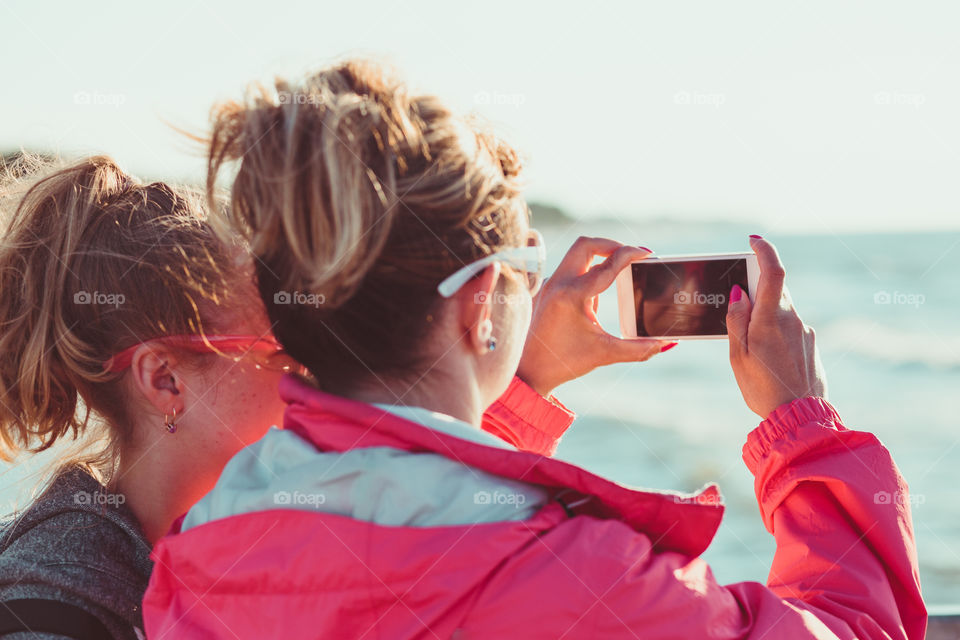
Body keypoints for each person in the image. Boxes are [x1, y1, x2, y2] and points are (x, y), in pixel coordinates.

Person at [143, 61, 925, 639]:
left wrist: (524, 385)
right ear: (482, 302)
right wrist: (802, 426)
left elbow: (407, 526)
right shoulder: (590, 582)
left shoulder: (202, 542)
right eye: (526, 267)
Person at [0, 155, 657, 639]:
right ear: (166, 381)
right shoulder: (53, 609)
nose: (325, 365)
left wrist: (523, 377)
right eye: (286, 345)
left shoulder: (245, 533)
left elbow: (433, 555)